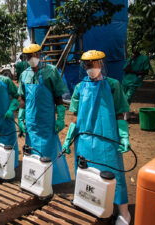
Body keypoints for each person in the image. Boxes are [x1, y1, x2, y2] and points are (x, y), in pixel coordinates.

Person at [62, 50, 131, 225]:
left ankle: (123, 211)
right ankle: (89, 202)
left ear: (101, 63)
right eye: (87, 64)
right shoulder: (79, 87)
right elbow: (75, 116)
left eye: (94, 64)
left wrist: (123, 135)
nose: (91, 68)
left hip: (107, 139)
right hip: (84, 139)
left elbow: (121, 113)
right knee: (85, 172)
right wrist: (69, 137)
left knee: (114, 172)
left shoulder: (113, 85)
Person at [18, 43, 71, 185]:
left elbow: (58, 97)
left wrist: (60, 118)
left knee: (47, 150)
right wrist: (21, 115)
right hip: (31, 120)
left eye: (34, 55)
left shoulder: (51, 71)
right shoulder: (24, 74)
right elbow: (22, 97)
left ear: (39, 55)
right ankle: (36, 180)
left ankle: (49, 180)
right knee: (32, 150)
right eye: (28, 56)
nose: (32, 58)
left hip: (46, 120)